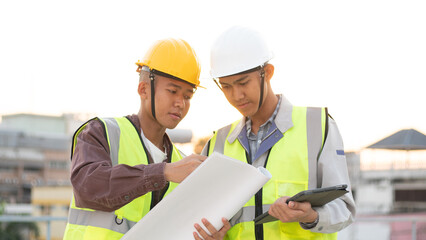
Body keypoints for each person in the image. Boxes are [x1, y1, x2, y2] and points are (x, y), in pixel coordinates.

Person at [63, 38, 229, 239]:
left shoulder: (181, 163)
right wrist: (163, 172)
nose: (180, 103)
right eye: (173, 91)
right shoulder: (101, 132)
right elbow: (88, 187)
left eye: (188, 96)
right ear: (143, 89)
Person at [201, 26, 356, 239]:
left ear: (268, 72)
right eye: (226, 87)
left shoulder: (317, 126)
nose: (237, 95)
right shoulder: (216, 144)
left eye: (243, 83)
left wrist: (312, 216)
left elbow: (344, 210)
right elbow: (203, 219)